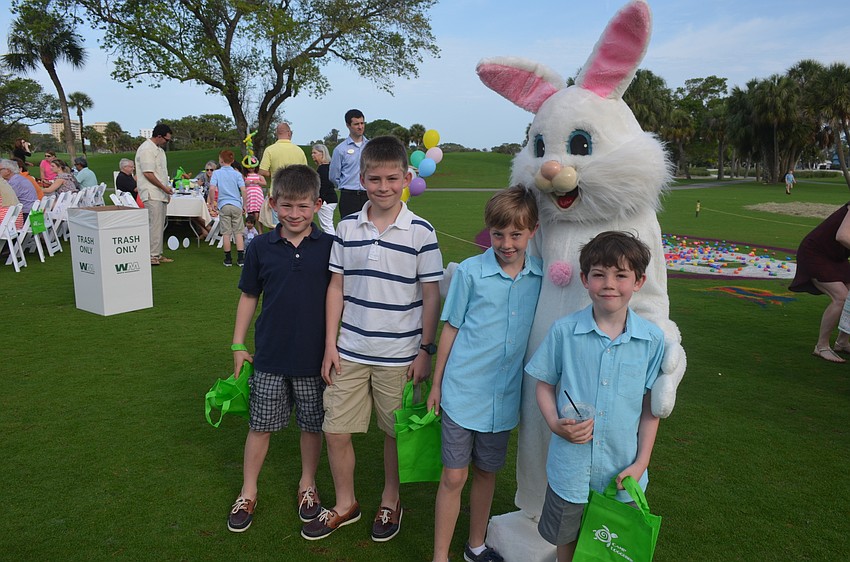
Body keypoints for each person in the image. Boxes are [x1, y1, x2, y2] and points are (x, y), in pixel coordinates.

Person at [301, 136, 443, 542]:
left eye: (392, 179)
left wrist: (425, 350)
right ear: (362, 179)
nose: (383, 187)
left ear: (406, 178)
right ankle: (346, 503)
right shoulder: (346, 228)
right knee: (335, 430)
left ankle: (390, 499)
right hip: (349, 350)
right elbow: (336, 288)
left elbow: (431, 296)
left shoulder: (421, 232)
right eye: (375, 179)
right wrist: (330, 344)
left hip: (400, 355)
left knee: (393, 434)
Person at [525, 231, 664, 562]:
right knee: (567, 540)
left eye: (621, 275)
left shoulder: (651, 340)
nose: (609, 284)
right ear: (585, 279)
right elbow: (543, 384)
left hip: (623, 472)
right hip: (569, 470)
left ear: (639, 281)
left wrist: (642, 462)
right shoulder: (564, 331)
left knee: (612, 547)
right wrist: (555, 424)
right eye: (599, 274)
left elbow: (651, 408)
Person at [427, 186, 543, 562]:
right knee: (454, 476)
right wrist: (436, 384)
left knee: (486, 473)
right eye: (498, 234)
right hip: (462, 393)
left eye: (516, 234)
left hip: (503, 400)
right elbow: (451, 328)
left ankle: (475, 545)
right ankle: (440, 555)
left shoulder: (540, 278)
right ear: (488, 232)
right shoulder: (470, 272)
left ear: (533, 231)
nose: (506, 244)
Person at [227, 164, 334, 533]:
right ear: (272, 204)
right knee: (260, 426)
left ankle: (308, 484)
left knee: (312, 426)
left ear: (317, 205)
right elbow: (248, 296)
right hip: (269, 356)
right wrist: (238, 344)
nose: (294, 214)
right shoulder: (260, 246)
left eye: (303, 206)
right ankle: (248, 490)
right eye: (286, 206)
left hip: (314, 359)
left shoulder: (329, 247)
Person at [789, 202, 850, 362]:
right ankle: (821, 346)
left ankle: (842, 342)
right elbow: (842, 236)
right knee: (841, 297)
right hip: (815, 253)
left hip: (836, 255)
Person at [135, 123, 174, 266]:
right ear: (159, 136)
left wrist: (165, 191)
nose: (167, 142)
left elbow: (161, 173)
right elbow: (148, 173)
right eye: (166, 139)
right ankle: (152, 255)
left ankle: (157, 253)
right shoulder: (146, 149)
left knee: (159, 224)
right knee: (154, 224)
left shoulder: (159, 151)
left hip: (160, 192)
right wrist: (164, 188)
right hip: (151, 192)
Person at [209, 149, 247, 267]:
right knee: (238, 232)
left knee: (226, 233)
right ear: (232, 160)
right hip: (236, 204)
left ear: (221, 160)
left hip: (224, 205)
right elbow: (243, 190)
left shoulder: (216, 173)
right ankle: (240, 259)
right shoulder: (237, 174)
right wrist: (244, 205)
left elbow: (212, 188)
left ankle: (228, 259)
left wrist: (212, 202)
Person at [330, 109, 369, 220]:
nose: (360, 127)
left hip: (369, 195)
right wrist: (346, 186)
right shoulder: (340, 150)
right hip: (349, 197)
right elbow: (334, 176)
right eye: (356, 124)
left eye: (362, 123)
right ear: (348, 125)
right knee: (348, 226)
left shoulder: (371, 147)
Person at [311, 143, 338, 235]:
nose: (312, 155)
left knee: (327, 226)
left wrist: (321, 199)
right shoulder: (329, 167)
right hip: (331, 198)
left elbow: (324, 186)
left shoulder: (323, 169)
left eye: (315, 153)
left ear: (322, 153)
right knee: (327, 225)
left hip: (326, 200)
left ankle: (332, 242)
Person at [242, 160, 266, 233]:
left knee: (258, 215)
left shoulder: (259, 176)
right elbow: (241, 184)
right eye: (249, 168)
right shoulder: (245, 176)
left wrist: (258, 182)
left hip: (257, 197)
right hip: (249, 196)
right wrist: (245, 183)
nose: (251, 169)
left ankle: (260, 231)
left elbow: (264, 183)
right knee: (250, 215)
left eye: (252, 168)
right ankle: (249, 231)